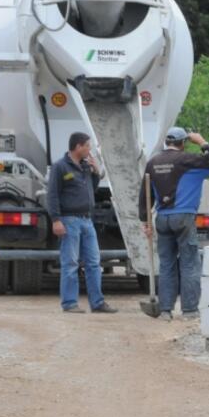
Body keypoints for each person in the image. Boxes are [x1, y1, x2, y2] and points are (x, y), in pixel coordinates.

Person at [138, 127, 209, 321]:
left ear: (166, 142)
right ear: (183, 143)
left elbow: (145, 195)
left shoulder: (153, 162)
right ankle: (190, 310)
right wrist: (202, 141)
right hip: (183, 217)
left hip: (162, 218)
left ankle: (165, 310)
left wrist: (145, 221)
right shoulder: (188, 160)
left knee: (166, 264)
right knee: (189, 263)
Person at [46, 132, 118, 314]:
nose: (90, 150)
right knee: (70, 263)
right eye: (88, 146)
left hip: (87, 221)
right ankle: (70, 303)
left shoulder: (85, 167)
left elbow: (90, 190)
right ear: (78, 146)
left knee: (94, 262)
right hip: (69, 220)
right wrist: (56, 220)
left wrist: (95, 173)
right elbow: (52, 195)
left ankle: (98, 303)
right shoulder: (60, 167)